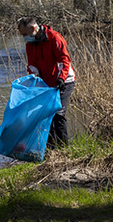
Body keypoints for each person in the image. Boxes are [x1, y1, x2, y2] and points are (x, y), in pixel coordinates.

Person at [17, 16, 76, 148]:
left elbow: (64, 60)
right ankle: (50, 150)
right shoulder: (30, 44)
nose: (24, 37)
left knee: (58, 113)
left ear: (33, 28)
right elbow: (32, 64)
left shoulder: (54, 38)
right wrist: (33, 78)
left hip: (65, 81)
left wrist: (61, 77)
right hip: (46, 84)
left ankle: (63, 149)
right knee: (45, 115)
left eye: (25, 34)